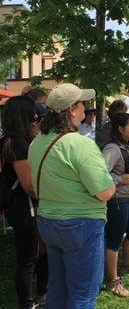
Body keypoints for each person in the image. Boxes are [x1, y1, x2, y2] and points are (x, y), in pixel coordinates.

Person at [28, 83, 116, 308]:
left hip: (48, 223)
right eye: (82, 104)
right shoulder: (80, 144)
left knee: (57, 288)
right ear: (71, 109)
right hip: (80, 226)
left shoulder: (36, 143)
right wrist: (114, 183)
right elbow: (105, 192)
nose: (85, 109)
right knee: (83, 295)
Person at [0, 95, 48, 309]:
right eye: (33, 114)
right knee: (27, 260)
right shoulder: (16, 143)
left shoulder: (12, 139)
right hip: (24, 207)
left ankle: (37, 296)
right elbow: (29, 185)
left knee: (32, 256)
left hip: (20, 206)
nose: (35, 118)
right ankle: (27, 304)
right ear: (23, 116)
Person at [102, 113, 129, 297]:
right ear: (120, 128)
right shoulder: (112, 148)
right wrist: (119, 179)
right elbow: (100, 174)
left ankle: (127, 264)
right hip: (117, 200)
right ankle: (113, 281)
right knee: (114, 239)